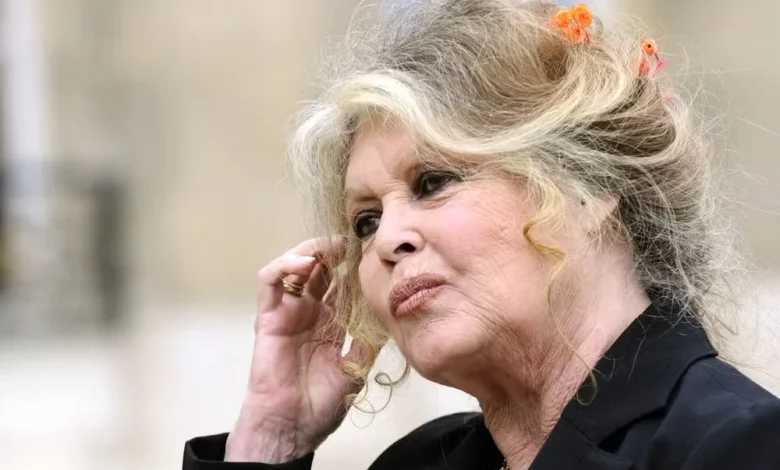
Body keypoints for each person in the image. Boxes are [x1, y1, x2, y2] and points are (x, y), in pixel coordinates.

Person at [182, 1, 780, 469]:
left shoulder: (738, 445)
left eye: (432, 182)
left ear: (588, 184)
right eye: (366, 220)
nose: (387, 240)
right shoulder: (419, 463)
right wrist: (270, 437)